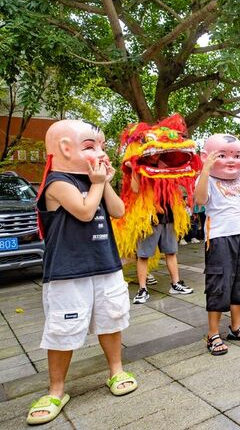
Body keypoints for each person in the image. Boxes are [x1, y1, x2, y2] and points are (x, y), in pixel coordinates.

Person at [28, 121, 137, 425]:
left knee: (111, 319)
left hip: (105, 264)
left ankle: (115, 370)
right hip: (68, 271)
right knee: (62, 330)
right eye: (90, 147)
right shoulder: (57, 182)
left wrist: (106, 181)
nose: (100, 152)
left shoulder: (94, 179)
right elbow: (86, 211)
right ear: (64, 149)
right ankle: (56, 390)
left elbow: (117, 211)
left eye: (101, 146)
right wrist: (98, 182)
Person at [195, 134, 240, 355]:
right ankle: (212, 334)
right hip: (219, 238)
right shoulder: (206, 178)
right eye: (222, 155)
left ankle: (236, 327)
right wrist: (206, 169)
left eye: (236, 156)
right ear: (206, 156)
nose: (231, 160)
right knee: (219, 284)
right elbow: (200, 200)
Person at [129, 159, 194, 304]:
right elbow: (135, 188)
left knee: (171, 252)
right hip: (148, 218)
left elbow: (179, 187)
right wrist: (134, 168)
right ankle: (142, 289)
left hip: (168, 216)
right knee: (143, 255)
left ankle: (176, 283)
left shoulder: (168, 168)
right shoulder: (142, 167)